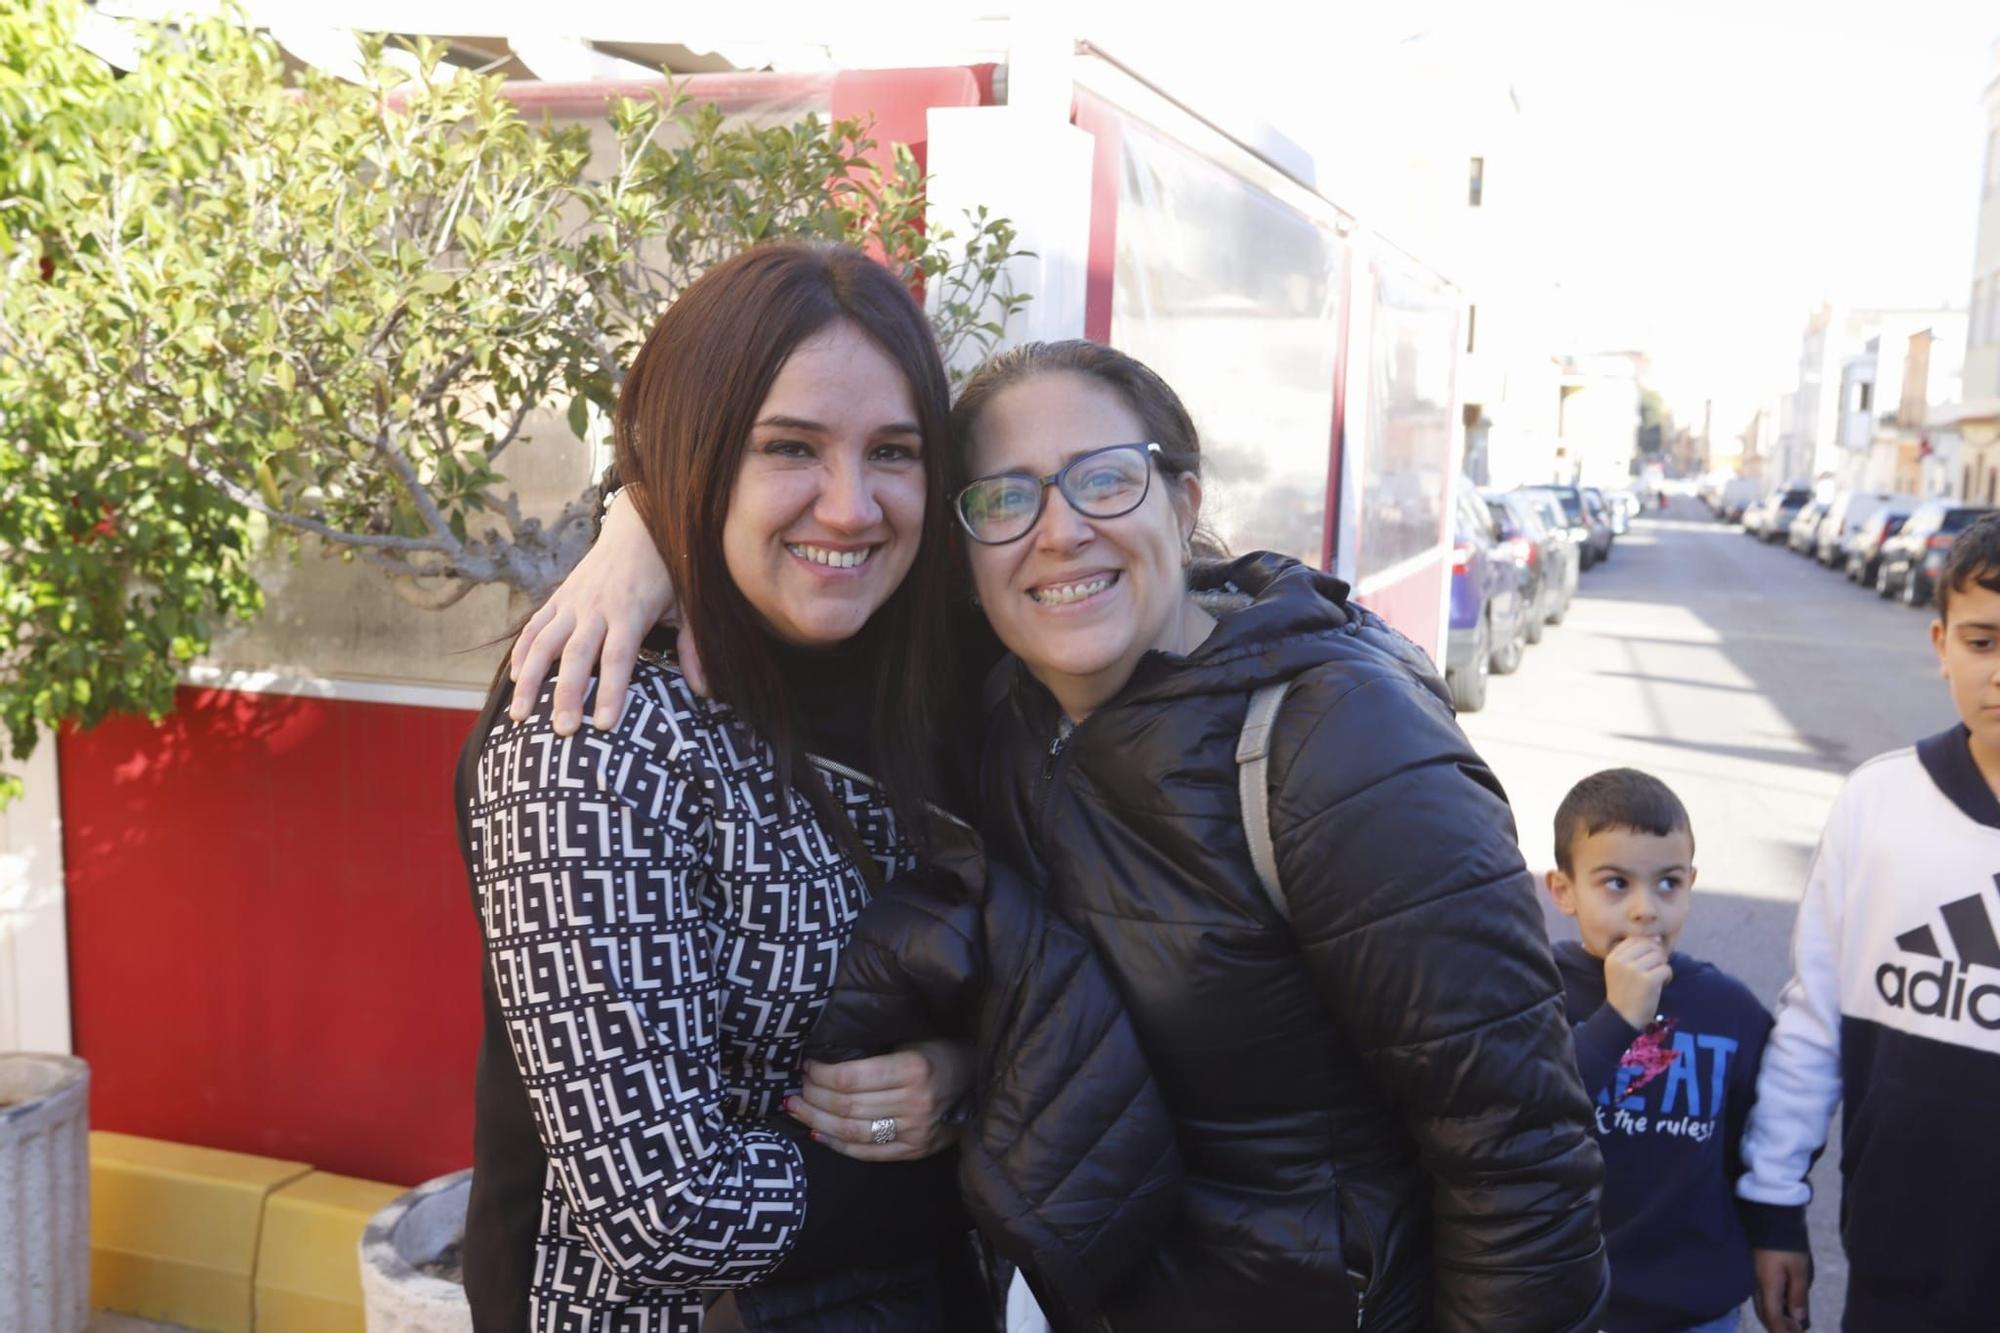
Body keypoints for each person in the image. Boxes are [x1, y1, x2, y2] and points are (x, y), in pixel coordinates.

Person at [519, 338, 1611, 1330]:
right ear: (965, 543)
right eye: (1003, 496)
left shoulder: (1336, 741)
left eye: (1104, 478)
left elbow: (1517, 1155)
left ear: (1182, 501)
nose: (1057, 530)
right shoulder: (994, 706)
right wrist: (648, 525)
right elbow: (822, 526)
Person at [455, 242, 1011, 1331]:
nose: (849, 506)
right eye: (788, 447)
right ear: (697, 452)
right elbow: (666, 1208)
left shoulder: (941, 675)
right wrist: (1002, 1164)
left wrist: (960, 1075)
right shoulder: (594, 723)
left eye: (892, 451)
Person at [1737, 513, 2000, 1333]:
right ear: (1941, 643)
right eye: (1984, 640)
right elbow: (1815, 1020)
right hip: (1901, 1266)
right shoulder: (1878, 804)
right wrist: (1775, 1204)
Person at [1544, 768, 1803, 1333]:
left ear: (1691, 882)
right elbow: (1529, 1118)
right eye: (1616, 883)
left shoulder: (1727, 1009)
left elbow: (1764, 1141)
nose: (1645, 909)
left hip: (1694, 1307)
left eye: (1668, 884)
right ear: (1563, 889)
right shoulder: (1536, 995)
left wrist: (1777, 1235)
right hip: (1567, 1301)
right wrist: (1618, 1020)